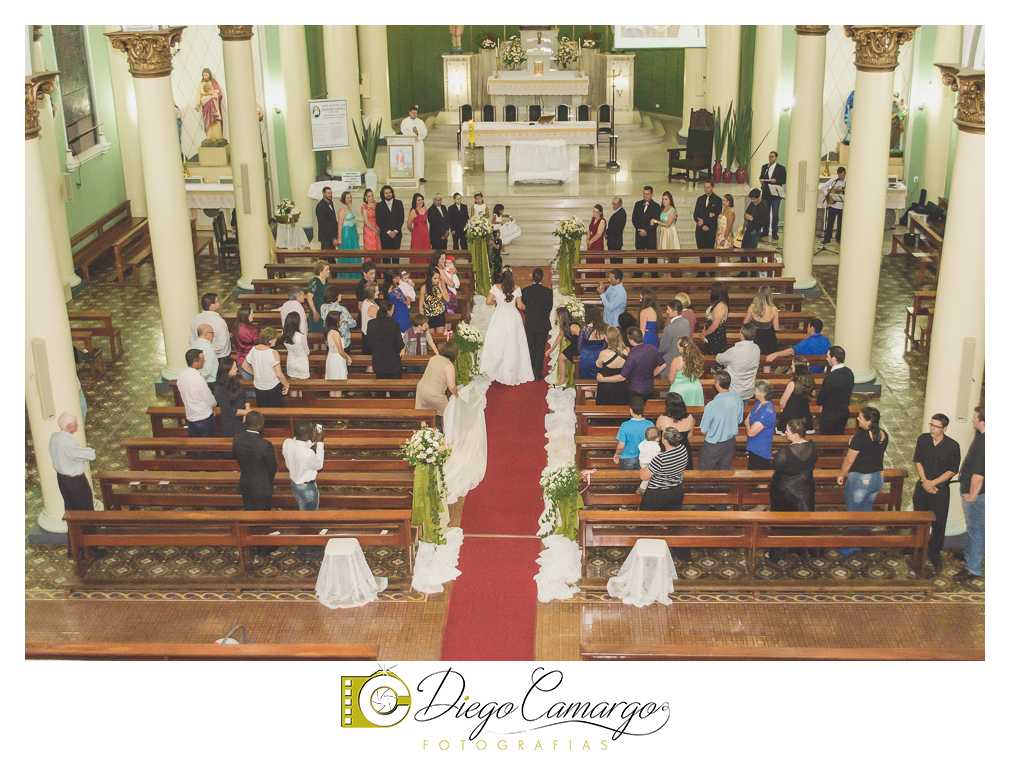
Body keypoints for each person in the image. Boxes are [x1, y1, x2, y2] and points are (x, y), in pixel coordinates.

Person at [836, 406, 889, 557]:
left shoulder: (860, 437)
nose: (857, 419)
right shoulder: (884, 435)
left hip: (860, 479)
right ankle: (865, 543)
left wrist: (841, 474)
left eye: (860, 417)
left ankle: (852, 545)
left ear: (868, 422)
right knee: (866, 511)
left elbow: (849, 459)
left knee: (854, 513)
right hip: (877, 479)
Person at [912, 413, 961, 572]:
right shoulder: (923, 439)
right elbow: (918, 460)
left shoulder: (953, 446)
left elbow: (952, 470)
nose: (932, 429)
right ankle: (914, 546)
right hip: (923, 485)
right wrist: (925, 481)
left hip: (939, 490)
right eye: (931, 425)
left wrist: (933, 483)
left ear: (944, 428)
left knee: (939, 523)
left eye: (936, 426)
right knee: (917, 517)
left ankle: (934, 552)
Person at [768, 420, 820, 552]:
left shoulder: (786, 451)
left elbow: (775, 465)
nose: (785, 432)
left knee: (784, 523)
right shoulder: (812, 446)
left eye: (787, 430)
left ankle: (780, 551)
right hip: (805, 489)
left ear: (795, 434)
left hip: (786, 491)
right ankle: (804, 549)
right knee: (804, 522)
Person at [479, 269, 534, 386]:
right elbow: (519, 305)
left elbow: (488, 301)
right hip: (513, 317)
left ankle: (496, 369)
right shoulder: (517, 288)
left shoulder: (496, 287)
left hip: (499, 316)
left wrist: (497, 302)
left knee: (497, 342)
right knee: (513, 343)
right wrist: (530, 307)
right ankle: (512, 371)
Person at [953, 406, 985, 582]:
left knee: (976, 530)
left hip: (978, 495)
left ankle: (973, 568)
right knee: (975, 528)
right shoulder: (981, 436)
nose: (972, 420)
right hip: (979, 493)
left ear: (983, 422)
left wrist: (972, 495)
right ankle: (970, 554)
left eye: (975, 418)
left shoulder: (985, 442)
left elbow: (978, 475)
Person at [282, 421, 326, 546]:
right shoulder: (308, 454)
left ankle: (307, 543)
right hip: (308, 489)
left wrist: (312, 441)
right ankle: (307, 547)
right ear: (307, 434)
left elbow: (301, 445)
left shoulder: (287, 443)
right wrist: (320, 442)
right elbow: (319, 464)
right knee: (309, 519)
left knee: (304, 515)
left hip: (295, 484)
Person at [48, 412, 96, 512]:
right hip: (75, 481)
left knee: (70, 506)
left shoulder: (54, 437)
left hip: (61, 478)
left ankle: (73, 528)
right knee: (86, 509)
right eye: (76, 423)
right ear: (69, 426)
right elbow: (91, 455)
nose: (78, 424)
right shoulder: (69, 444)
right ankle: (88, 528)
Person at [698, 370, 744, 473]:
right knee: (726, 471)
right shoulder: (738, 400)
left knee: (705, 472)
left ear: (717, 384)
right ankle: (724, 488)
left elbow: (703, 430)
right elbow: (739, 420)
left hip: (713, 443)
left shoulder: (711, 405)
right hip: (730, 441)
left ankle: (705, 488)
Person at [232, 410, 276, 510]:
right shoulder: (264, 444)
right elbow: (272, 467)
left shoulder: (237, 439)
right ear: (259, 424)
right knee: (263, 516)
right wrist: (267, 480)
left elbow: (237, 456)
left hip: (246, 484)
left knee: (249, 514)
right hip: (262, 487)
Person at [639, 428, 691, 511]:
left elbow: (643, 476)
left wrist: (644, 467)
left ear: (665, 441)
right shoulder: (683, 449)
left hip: (657, 493)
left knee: (646, 519)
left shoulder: (660, 459)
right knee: (672, 519)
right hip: (676, 490)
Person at [613, 327, 665, 404]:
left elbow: (622, 376)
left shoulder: (632, 355)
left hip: (635, 389)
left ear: (631, 340)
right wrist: (652, 374)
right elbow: (663, 365)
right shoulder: (652, 348)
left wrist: (603, 379)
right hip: (649, 388)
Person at [242, 327, 289, 408]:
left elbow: (244, 366)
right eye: (275, 338)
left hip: (259, 387)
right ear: (270, 341)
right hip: (273, 387)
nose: (276, 340)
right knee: (276, 414)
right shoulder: (273, 353)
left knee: (263, 412)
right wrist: (287, 384)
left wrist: (256, 373)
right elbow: (279, 374)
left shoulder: (253, 349)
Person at [522, 267, 554, 380]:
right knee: (541, 348)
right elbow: (549, 307)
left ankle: (530, 369)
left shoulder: (525, 291)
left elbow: (523, 307)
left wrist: (530, 313)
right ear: (543, 277)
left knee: (531, 347)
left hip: (530, 322)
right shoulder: (548, 291)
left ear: (532, 277)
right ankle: (537, 373)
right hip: (543, 323)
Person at [766, 318, 831, 373]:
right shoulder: (826, 340)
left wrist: (776, 354)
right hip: (820, 371)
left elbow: (791, 351)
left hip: (807, 371)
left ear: (812, 328)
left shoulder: (806, 342)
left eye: (808, 326)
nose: (807, 328)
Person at [716, 323, 761, 401]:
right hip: (748, 390)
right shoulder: (756, 349)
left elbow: (719, 359)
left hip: (734, 390)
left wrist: (728, 363)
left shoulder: (735, 351)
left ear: (742, 335)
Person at [178, 348, 217, 437]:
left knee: (194, 445)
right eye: (202, 360)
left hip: (191, 416)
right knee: (208, 446)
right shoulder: (199, 380)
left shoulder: (181, 376)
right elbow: (209, 399)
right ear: (195, 363)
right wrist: (213, 405)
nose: (204, 361)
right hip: (204, 417)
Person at [416, 340, 459, 417]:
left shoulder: (433, 358)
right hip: (433, 394)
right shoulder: (449, 365)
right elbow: (451, 386)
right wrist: (456, 393)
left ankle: (423, 427)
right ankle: (446, 428)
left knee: (424, 412)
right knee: (449, 413)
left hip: (421, 389)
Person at [817, 346, 854, 435]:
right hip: (843, 412)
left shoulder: (830, 378)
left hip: (830, 415)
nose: (827, 358)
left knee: (827, 440)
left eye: (828, 356)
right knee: (839, 435)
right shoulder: (849, 373)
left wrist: (820, 402)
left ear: (833, 358)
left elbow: (822, 396)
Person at [655, 392, 695, 469]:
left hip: (667, 452)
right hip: (683, 451)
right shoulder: (690, 418)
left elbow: (658, 436)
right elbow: (690, 435)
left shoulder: (662, 419)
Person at [777, 357, 815, 435]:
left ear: (798, 368)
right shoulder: (810, 381)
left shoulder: (793, 384)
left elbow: (782, 402)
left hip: (791, 414)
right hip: (804, 413)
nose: (791, 366)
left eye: (793, 365)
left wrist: (783, 408)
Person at [614, 396, 654, 470]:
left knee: (626, 480)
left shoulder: (625, 425)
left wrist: (617, 454)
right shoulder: (650, 424)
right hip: (645, 458)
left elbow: (621, 445)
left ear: (631, 410)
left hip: (627, 458)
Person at [213, 357, 250, 437]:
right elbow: (228, 410)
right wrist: (247, 412)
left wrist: (247, 411)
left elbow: (244, 394)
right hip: (231, 423)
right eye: (234, 367)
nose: (237, 369)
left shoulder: (234, 379)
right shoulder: (218, 388)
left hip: (243, 417)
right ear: (227, 371)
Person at [369, 299, 406, 379]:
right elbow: (399, 345)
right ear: (389, 311)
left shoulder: (371, 324)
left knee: (380, 388)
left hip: (378, 361)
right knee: (395, 388)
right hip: (393, 362)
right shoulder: (394, 325)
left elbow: (369, 342)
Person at [548, 306, 583, 388]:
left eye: (556, 316)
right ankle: (562, 381)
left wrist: (582, 353)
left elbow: (584, 338)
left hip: (581, 346)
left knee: (564, 358)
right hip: (575, 345)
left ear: (561, 317)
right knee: (561, 357)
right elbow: (560, 336)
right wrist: (551, 349)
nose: (555, 318)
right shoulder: (564, 326)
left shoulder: (573, 327)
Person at [744, 285, 779, 364]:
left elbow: (745, 322)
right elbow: (776, 327)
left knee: (752, 358)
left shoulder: (752, 306)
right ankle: (766, 375)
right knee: (767, 360)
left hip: (755, 335)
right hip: (768, 337)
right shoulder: (773, 309)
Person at [746, 380, 777, 470]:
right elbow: (749, 418)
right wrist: (749, 424)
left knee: (760, 479)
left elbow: (751, 432)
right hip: (753, 446)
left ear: (762, 395)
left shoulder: (767, 411)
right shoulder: (758, 403)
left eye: (755, 391)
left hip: (761, 450)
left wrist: (747, 424)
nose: (754, 392)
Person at [595, 327, 629, 407]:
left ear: (607, 339)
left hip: (606, 386)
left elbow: (599, 365)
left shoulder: (604, 353)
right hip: (621, 386)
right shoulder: (627, 351)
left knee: (605, 408)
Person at [189, 293, 231, 358]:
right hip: (219, 356)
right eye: (217, 301)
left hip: (201, 355)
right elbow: (222, 344)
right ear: (211, 305)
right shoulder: (219, 322)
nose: (219, 303)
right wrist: (207, 350)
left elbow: (192, 339)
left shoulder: (195, 319)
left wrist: (201, 350)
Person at [657, 300, 691, 380]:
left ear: (675, 311)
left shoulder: (669, 328)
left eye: (668, 310)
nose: (667, 312)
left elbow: (663, 348)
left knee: (666, 387)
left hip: (670, 361)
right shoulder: (686, 323)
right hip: (683, 359)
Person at [668, 336, 705, 408]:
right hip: (695, 388)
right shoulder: (698, 358)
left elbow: (671, 379)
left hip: (680, 390)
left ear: (682, 347)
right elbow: (700, 373)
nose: (677, 347)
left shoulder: (677, 361)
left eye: (678, 345)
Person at [631, 186, 661, 270]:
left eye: (647, 194)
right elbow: (634, 219)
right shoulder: (638, 204)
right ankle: (638, 273)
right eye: (644, 194)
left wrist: (646, 231)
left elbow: (656, 222)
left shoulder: (656, 206)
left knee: (652, 256)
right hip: (639, 235)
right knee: (639, 256)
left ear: (651, 194)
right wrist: (639, 229)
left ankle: (654, 273)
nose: (645, 196)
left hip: (650, 235)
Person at [758, 151, 786, 240]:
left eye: (772, 157)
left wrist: (776, 180)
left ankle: (774, 232)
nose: (770, 158)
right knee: (765, 213)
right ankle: (765, 230)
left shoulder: (781, 168)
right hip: (766, 193)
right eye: (769, 157)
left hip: (775, 194)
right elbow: (761, 176)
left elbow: (784, 179)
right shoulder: (765, 167)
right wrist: (762, 181)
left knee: (775, 214)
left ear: (776, 158)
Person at [577, 307, 608, 381]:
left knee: (586, 380)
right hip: (600, 356)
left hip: (586, 357)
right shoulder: (605, 327)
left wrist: (582, 354)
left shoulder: (584, 329)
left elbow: (579, 345)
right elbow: (606, 344)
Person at [194, 68, 225, 142]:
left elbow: (218, 93)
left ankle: (217, 136)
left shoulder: (213, 82)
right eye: (204, 75)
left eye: (206, 75)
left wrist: (212, 92)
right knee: (208, 120)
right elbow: (198, 94)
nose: (205, 77)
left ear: (209, 75)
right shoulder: (201, 84)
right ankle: (209, 136)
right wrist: (197, 104)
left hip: (213, 103)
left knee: (215, 119)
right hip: (205, 103)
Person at [741, 188, 768, 271]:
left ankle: (753, 272)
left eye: (754, 199)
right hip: (748, 229)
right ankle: (743, 272)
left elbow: (764, 222)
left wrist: (753, 218)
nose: (752, 200)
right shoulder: (752, 204)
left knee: (752, 253)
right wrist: (746, 215)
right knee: (743, 251)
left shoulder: (763, 207)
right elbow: (747, 211)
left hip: (755, 231)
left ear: (759, 197)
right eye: (751, 199)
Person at [700, 282, 730, 355]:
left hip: (716, 335)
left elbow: (715, 325)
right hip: (711, 333)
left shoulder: (721, 306)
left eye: (711, 290)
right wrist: (703, 332)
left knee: (715, 355)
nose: (710, 292)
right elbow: (708, 320)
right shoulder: (715, 303)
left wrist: (704, 334)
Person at [400, 105, 428, 182]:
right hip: (409, 144)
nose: (414, 115)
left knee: (419, 158)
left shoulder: (420, 122)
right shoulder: (405, 122)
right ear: (409, 112)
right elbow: (403, 131)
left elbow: (425, 132)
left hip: (418, 143)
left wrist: (417, 132)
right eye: (413, 113)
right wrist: (410, 133)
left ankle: (420, 176)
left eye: (416, 113)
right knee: (410, 159)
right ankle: (409, 174)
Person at [281, 311, 310, 381]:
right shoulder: (300, 336)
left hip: (291, 362)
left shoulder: (284, 334)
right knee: (302, 387)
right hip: (302, 362)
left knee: (294, 387)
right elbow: (306, 351)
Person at [419, 267, 448, 335]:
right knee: (430, 339)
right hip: (428, 316)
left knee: (440, 338)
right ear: (429, 277)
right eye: (435, 278)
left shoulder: (441, 283)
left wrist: (441, 288)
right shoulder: (424, 288)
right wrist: (423, 321)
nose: (437, 280)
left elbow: (447, 299)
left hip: (440, 314)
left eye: (438, 278)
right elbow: (421, 306)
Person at [693, 181, 721, 251]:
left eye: (708, 187)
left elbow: (716, 216)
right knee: (701, 251)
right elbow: (695, 214)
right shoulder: (700, 199)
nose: (706, 189)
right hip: (700, 230)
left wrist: (704, 221)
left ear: (712, 188)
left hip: (710, 230)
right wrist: (702, 224)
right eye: (705, 187)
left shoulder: (718, 200)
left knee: (710, 252)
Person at [337, 191, 359, 276]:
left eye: (350, 197)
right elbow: (340, 224)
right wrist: (339, 238)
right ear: (343, 199)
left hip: (352, 231)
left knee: (354, 251)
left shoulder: (349, 207)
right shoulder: (342, 209)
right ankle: (347, 275)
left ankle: (355, 273)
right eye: (347, 198)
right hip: (346, 232)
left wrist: (356, 231)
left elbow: (353, 220)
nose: (349, 199)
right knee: (348, 251)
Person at [323, 311, 351, 381]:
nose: (342, 320)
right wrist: (347, 359)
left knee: (332, 384)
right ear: (335, 321)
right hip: (337, 359)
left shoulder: (329, 331)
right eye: (340, 319)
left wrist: (347, 356)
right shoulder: (335, 333)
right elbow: (340, 351)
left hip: (332, 357)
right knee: (339, 384)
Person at [375, 185, 405, 250]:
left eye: (390, 192)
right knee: (386, 258)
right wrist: (388, 232)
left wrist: (395, 231)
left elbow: (401, 218)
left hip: (397, 235)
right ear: (383, 194)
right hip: (385, 235)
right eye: (386, 193)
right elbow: (379, 221)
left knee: (396, 257)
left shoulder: (399, 203)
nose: (388, 194)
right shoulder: (379, 205)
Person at [821, 167, 846, 244]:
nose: (840, 177)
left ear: (845, 173)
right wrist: (828, 195)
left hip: (842, 206)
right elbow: (823, 187)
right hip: (833, 205)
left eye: (841, 175)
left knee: (840, 223)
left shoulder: (848, 181)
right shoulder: (834, 180)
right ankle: (827, 238)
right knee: (830, 223)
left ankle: (838, 238)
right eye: (839, 175)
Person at [234, 306, 259, 380]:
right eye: (252, 314)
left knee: (247, 384)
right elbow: (257, 345)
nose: (253, 315)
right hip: (251, 360)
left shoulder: (236, 328)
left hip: (240, 359)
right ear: (247, 316)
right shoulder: (252, 331)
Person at [636, 427, 663, 495]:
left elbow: (639, 447)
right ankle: (642, 488)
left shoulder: (644, 442)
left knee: (648, 475)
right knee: (648, 476)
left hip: (642, 461)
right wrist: (660, 454)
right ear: (657, 438)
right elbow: (655, 456)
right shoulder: (656, 446)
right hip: (648, 462)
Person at [305, 261, 329, 333]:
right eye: (327, 269)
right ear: (320, 271)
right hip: (316, 308)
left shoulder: (326, 281)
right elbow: (309, 297)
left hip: (324, 308)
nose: (329, 271)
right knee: (316, 330)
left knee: (323, 331)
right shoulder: (314, 281)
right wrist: (314, 311)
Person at [315, 186, 339, 251]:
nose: (330, 195)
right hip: (325, 236)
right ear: (323, 193)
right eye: (328, 193)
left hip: (331, 234)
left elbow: (333, 219)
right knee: (325, 255)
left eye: (331, 193)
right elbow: (324, 224)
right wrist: (333, 238)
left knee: (330, 256)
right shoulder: (320, 206)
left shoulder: (331, 202)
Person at [407, 192, 430, 257]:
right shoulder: (413, 211)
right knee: (418, 249)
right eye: (418, 200)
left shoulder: (425, 208)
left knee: (426, 249)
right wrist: (413, 232)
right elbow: (409, 225)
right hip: (417, 234)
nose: (421, 201)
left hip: (425, 233)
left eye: (422, 199)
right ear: (415, 201)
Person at [359, 281, 379, 355]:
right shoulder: (372, 307)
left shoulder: (365, 301)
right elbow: (379, 322)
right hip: (372, 337)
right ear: (371, 292)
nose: (378, 292)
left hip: (366, 334)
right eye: (376, 291)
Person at [607, 197, 626, 262]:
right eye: (613, 204)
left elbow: (614, 228)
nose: (613, 206)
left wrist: (607, 233)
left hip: (615, 241)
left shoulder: (621, 213)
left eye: (615, 204)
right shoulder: (619, 213)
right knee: (614, 260)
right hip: (614, 241)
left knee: (616, 260)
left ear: (620, 204)